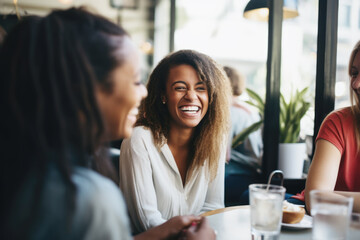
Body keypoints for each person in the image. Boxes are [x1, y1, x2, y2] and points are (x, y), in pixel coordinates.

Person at [0, 7, 215, 240]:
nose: (143, 92)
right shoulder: (87, 198)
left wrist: (158, 233)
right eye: (135, 80)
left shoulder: (24, 173)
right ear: (88, 90)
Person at [119, 49, 232, 234]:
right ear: (163, 95)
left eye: (201, 88)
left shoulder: (215, 140)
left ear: (211, 96)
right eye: (180, 87)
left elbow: (213, 207)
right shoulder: (139, 140)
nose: (191, 96)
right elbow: (147, 222)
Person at [303, 40, 360, 213]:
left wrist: (335, 197)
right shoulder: (338, 122)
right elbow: (316, 198)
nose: (355, 84)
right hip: (321, 224)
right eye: (354, 74)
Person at [223, 66, 263, 206]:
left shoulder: (228, 111)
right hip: (253, 174)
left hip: (236, 175)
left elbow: (224, 156)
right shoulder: (250, 111)